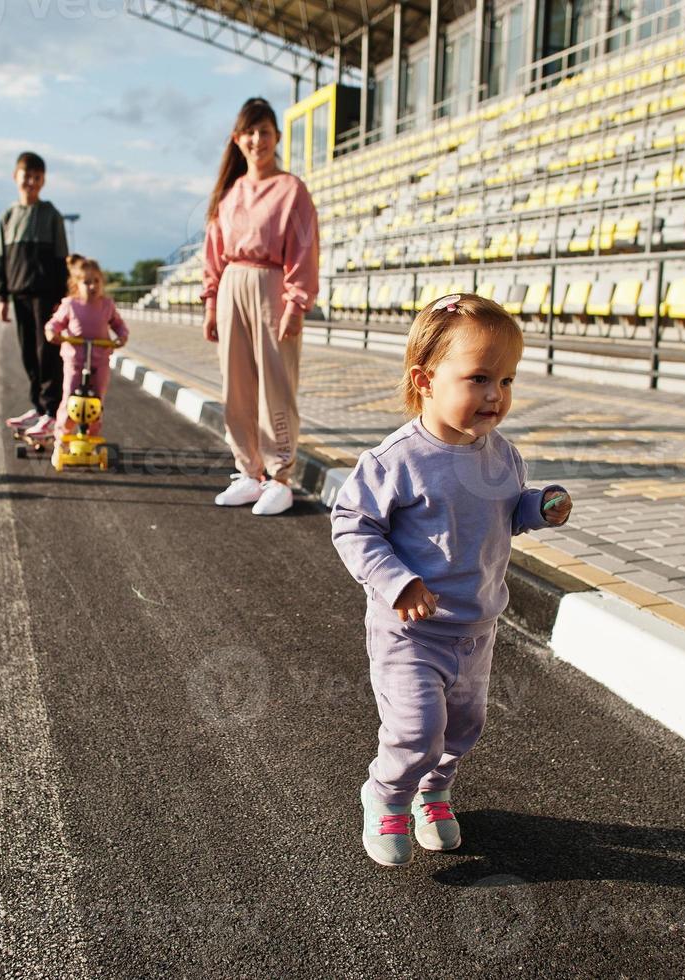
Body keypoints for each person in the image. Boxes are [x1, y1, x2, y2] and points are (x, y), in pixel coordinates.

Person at [330, 293, 573, 868]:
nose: (496, 395)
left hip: (477, 625)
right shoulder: (395, 460)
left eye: (508, 380)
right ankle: (386, 795)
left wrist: (539, 507)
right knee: (417, 726)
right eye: (480, 378)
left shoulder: (503, 456)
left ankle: (432, 794)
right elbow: (350, 524)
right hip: (411, 630)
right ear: (425, 379)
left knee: (463, 725)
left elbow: (505, 513)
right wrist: (396, 580)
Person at [201, 96, 319, 517]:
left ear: (276, 136)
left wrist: (296, 303)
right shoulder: (229, 194)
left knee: (276, 382)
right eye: (249, 132)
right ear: (237, 139)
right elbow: (213, 251)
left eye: (264, 131)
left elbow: (304, 249)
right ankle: (248, 471)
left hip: (272, 286)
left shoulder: (291, 190)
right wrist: (212, 303)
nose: (257, 140)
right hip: (232, 283)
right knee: (236, 383)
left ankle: (279, 474)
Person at [0, 151, 70, 441]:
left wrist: (64, 300)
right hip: (19, 293)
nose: (32, 182)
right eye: (27, 176)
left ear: (44, 181)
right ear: (16, 177)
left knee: (47, 352)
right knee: (28, 353)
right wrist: (2, 297)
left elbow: (62, 256)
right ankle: (37, 408)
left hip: (47, 293)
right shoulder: (8, 216)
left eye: (37, 178)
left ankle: (53, 411)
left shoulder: (51, 214)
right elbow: (0, 259)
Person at [44, 254, 129, 438]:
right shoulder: (71, 305)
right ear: (76, 284)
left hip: (100, 363)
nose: (93, 286)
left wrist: (122, 337)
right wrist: (52, 332)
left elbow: (119, 325)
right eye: (87, 282)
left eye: (96, 281)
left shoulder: (107, 305)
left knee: (95, 402)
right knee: (70, 400)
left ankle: (91, 437)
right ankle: (63, 437)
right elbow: (54, 324)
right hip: (75, 362)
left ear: (102, 282)